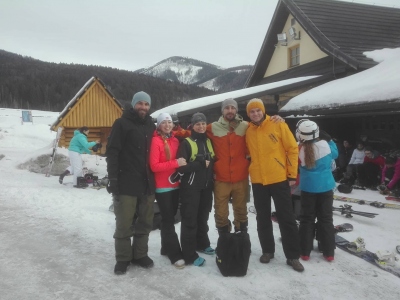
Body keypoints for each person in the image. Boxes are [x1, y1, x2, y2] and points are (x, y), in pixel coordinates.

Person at [245, 98, 304, 272]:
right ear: (248, 114)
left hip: (279, 178)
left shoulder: (278, 124)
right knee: (262, 217)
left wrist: (292, 174)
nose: (255, 113)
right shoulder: (248, 130)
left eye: (258, 110)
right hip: (258, 180)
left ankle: (293, 256)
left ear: (263, 111)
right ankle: (267, 251)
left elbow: (293, 148)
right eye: (252, 111)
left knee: (286, 218)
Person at [106, 91, 156, 275]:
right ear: (134, 104)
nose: (143, 107)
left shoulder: (151, 125)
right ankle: (123, 258)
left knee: (145, 222)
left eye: (146, 104)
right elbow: (112, 152)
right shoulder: (121, 123)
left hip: (147, 183)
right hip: (126, 183)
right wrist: (112, 179)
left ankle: (140, 254)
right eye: (140, 103)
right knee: (124, 223)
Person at [296, 119, 338, 262]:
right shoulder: (326, 145)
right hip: (326, 187)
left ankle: (305, 252)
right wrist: (330, 139)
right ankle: (329, 252)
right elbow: (336, 154)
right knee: (326, 219)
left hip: (308, 188)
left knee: (306, 219)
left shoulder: (299, 149)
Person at [176, 112, 215, 267]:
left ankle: (202, 243)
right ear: (192, 126)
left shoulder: (209, 141)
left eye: (203, 123)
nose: (201, 126)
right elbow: (181, 166)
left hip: (206, 187)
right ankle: (189, 253)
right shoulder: (186, 143)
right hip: (190, 187)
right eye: (198, 124)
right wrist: (199, 164)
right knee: (190, 220)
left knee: (203, 217)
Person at [149, 112, 186, 269]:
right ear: (158, 125)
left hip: (175, 184)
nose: (167, 125)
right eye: (164, 122)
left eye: (169, 122)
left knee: (167, 219)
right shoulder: (155, 141)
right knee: (169, 220)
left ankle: (165, 247)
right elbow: (154, 166)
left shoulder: (175, 140)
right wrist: (175, 163)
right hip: (163, 187)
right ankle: (175, 254)